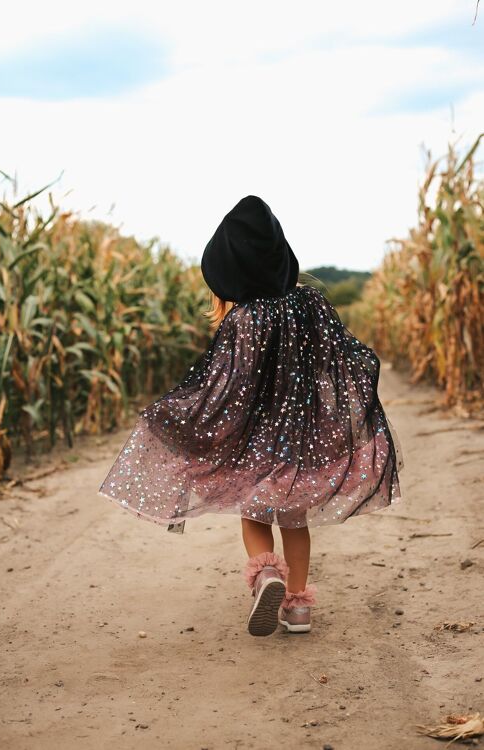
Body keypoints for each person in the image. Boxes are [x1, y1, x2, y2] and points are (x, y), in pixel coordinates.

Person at [98, 195, 404, 637]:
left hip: (255, 440)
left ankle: (266, 577)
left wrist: (184, 418)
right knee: (295, 520)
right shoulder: (312, 305)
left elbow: (224, 385)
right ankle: (298, 607)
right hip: (303, 439)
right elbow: (346, 358)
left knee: (255, 513)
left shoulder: (242, 319)